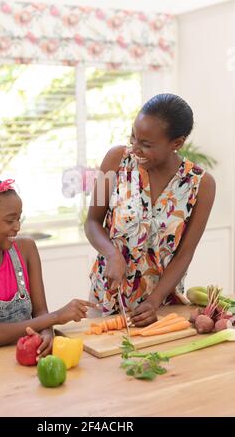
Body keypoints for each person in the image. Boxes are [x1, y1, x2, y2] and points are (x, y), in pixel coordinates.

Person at [85, 93, 216, 327]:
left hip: (161, 306)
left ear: (177, 143)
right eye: (133, 137)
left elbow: (185, 253)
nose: (135, 148)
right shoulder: (116, 160)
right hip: (108, 296)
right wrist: (112, 254)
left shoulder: (201, 184)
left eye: (146, 144)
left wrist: (154, 301)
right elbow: (92, 222)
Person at [0, 177, 97, 355]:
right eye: (9, 221)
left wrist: (47, 333)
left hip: (23, 351)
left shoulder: (26, 249)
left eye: (19, 219)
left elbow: (40, 312)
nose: (17, 227)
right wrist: (56, 317)